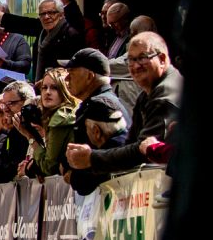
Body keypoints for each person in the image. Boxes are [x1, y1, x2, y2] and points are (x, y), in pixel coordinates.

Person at [66, 32, 182, 175]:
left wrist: (92, 158)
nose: (135, 66)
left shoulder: (164, 96)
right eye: (131, 60)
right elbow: (132, 145)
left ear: (162, 59)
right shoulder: (145, 95)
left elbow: (144, 150)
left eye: (142, 58)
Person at [59, 48, 131, 194]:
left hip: (111, 196)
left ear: (89, 76)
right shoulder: (94, 104)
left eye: (71, 73)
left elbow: (120, 153)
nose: (66, 79)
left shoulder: (102, 105)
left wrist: (77, 177)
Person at [0, 0, 84, 80]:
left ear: (61, 14)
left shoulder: (71, 34)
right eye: (43, 14)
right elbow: (23, 24)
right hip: (41, 86)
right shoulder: (42, 32)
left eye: (51, 13)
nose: (47, 17)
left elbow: (77, 69)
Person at [17, 68, 78, 178]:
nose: (47, 92)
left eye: (54, 88)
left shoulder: (60, 117)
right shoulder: (65, 113)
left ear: (65, 90)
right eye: (44, 88)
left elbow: (48, 166)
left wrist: (30, 137)